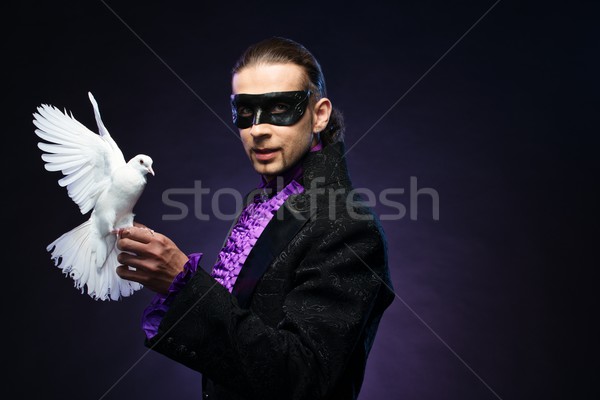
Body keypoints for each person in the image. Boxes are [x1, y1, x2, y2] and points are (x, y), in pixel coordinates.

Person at [115, 36, 395, 400]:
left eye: (281, 107)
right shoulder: (264, 205)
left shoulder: (350, 227)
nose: (258, 129)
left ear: (320, 114)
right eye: (245, 111)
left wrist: (185, 286)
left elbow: (302, 380)